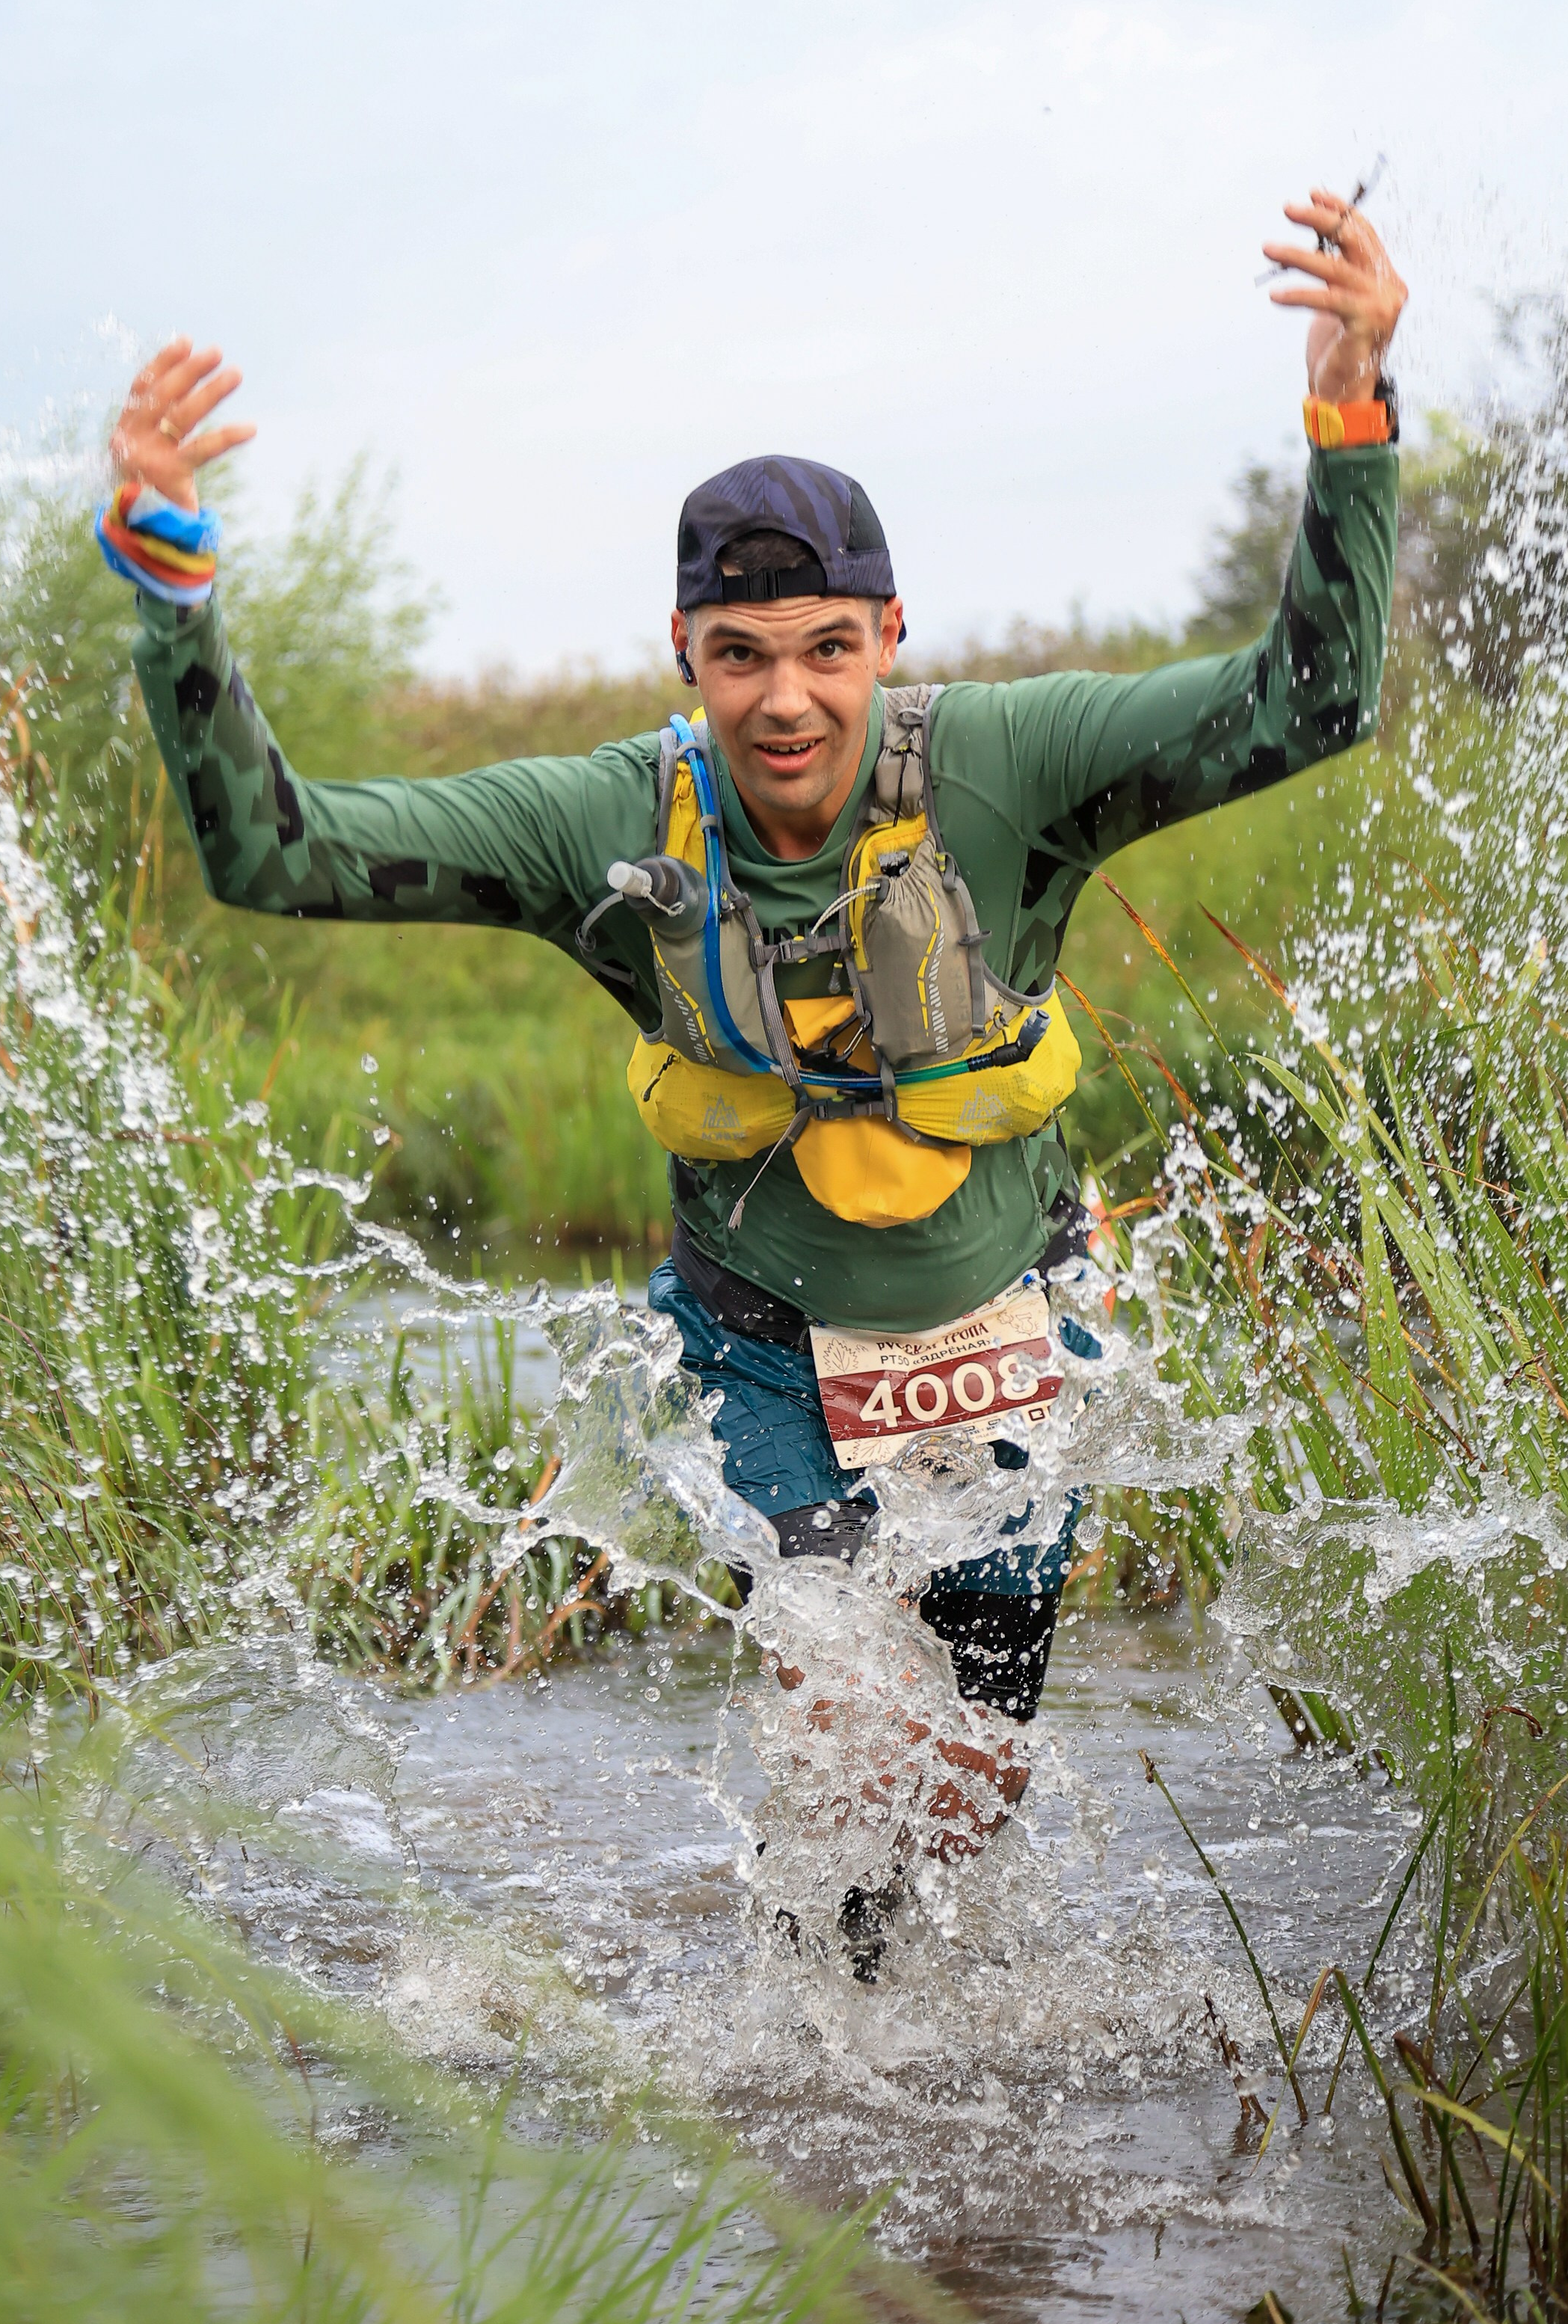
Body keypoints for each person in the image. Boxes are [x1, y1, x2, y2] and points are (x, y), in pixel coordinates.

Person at [100, 190, 1405, 1973]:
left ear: (886, 634)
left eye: (823, 652)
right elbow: (279, 850)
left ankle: (895, 2058)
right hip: (765, 1341)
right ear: (685, 656)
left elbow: (1312, 700)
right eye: (739, 659)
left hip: (1005, 1325)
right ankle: (806, 2066)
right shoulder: (601, 820)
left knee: (964, 1790)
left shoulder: (1011, 765)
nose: (785, 704)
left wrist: (1349, 420)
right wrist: (176, 596)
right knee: (843, 1733)